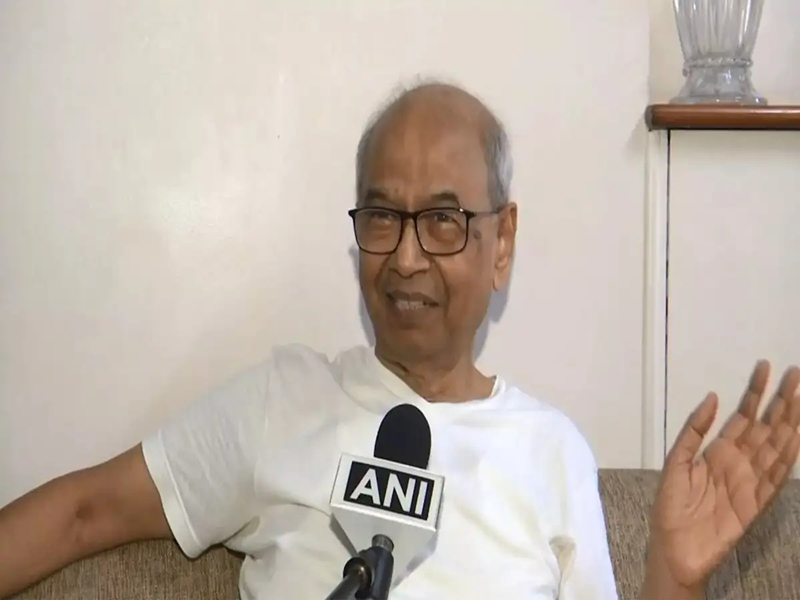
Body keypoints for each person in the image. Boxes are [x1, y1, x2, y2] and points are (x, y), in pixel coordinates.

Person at [0, 81, 798, 600]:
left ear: (502, 242)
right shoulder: (285, 403)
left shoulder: (551, 452)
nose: (406, 258)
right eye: (382, 217)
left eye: (442, 220)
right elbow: (83, 512)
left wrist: (673, 578)